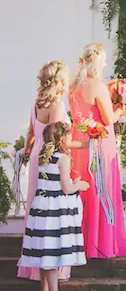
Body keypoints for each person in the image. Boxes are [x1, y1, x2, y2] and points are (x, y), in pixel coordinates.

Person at [17, 61, 88, 282]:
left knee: (37, 209)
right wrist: (87, 145)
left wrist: (27, 151)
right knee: (52, 213)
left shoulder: (36, 104)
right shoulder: (57, 106)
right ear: (61, 81)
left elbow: (31, 132)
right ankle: (54, 265)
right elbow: (60, 141)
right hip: (52, 158)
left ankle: (38, 265)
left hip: (39, 156)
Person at [68, 43, 126, 259]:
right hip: (99, 144)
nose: (105, 62)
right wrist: (124, 107)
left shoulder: (73, 86)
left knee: (84, 190)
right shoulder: (98, 86)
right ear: (97, 61)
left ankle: (81, 243)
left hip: (79, 143)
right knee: (101, 189)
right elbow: (108, 118)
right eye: (103, 59)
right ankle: (99, 244)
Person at [19, 122, 89, 291]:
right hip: (54, 209)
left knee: (44, 250)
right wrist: (80, 185)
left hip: (41, 206)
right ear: (62, 138)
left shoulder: (43, 158)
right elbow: (66, 188)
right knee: (51, 253)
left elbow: (52, 182)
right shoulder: (62, 159)